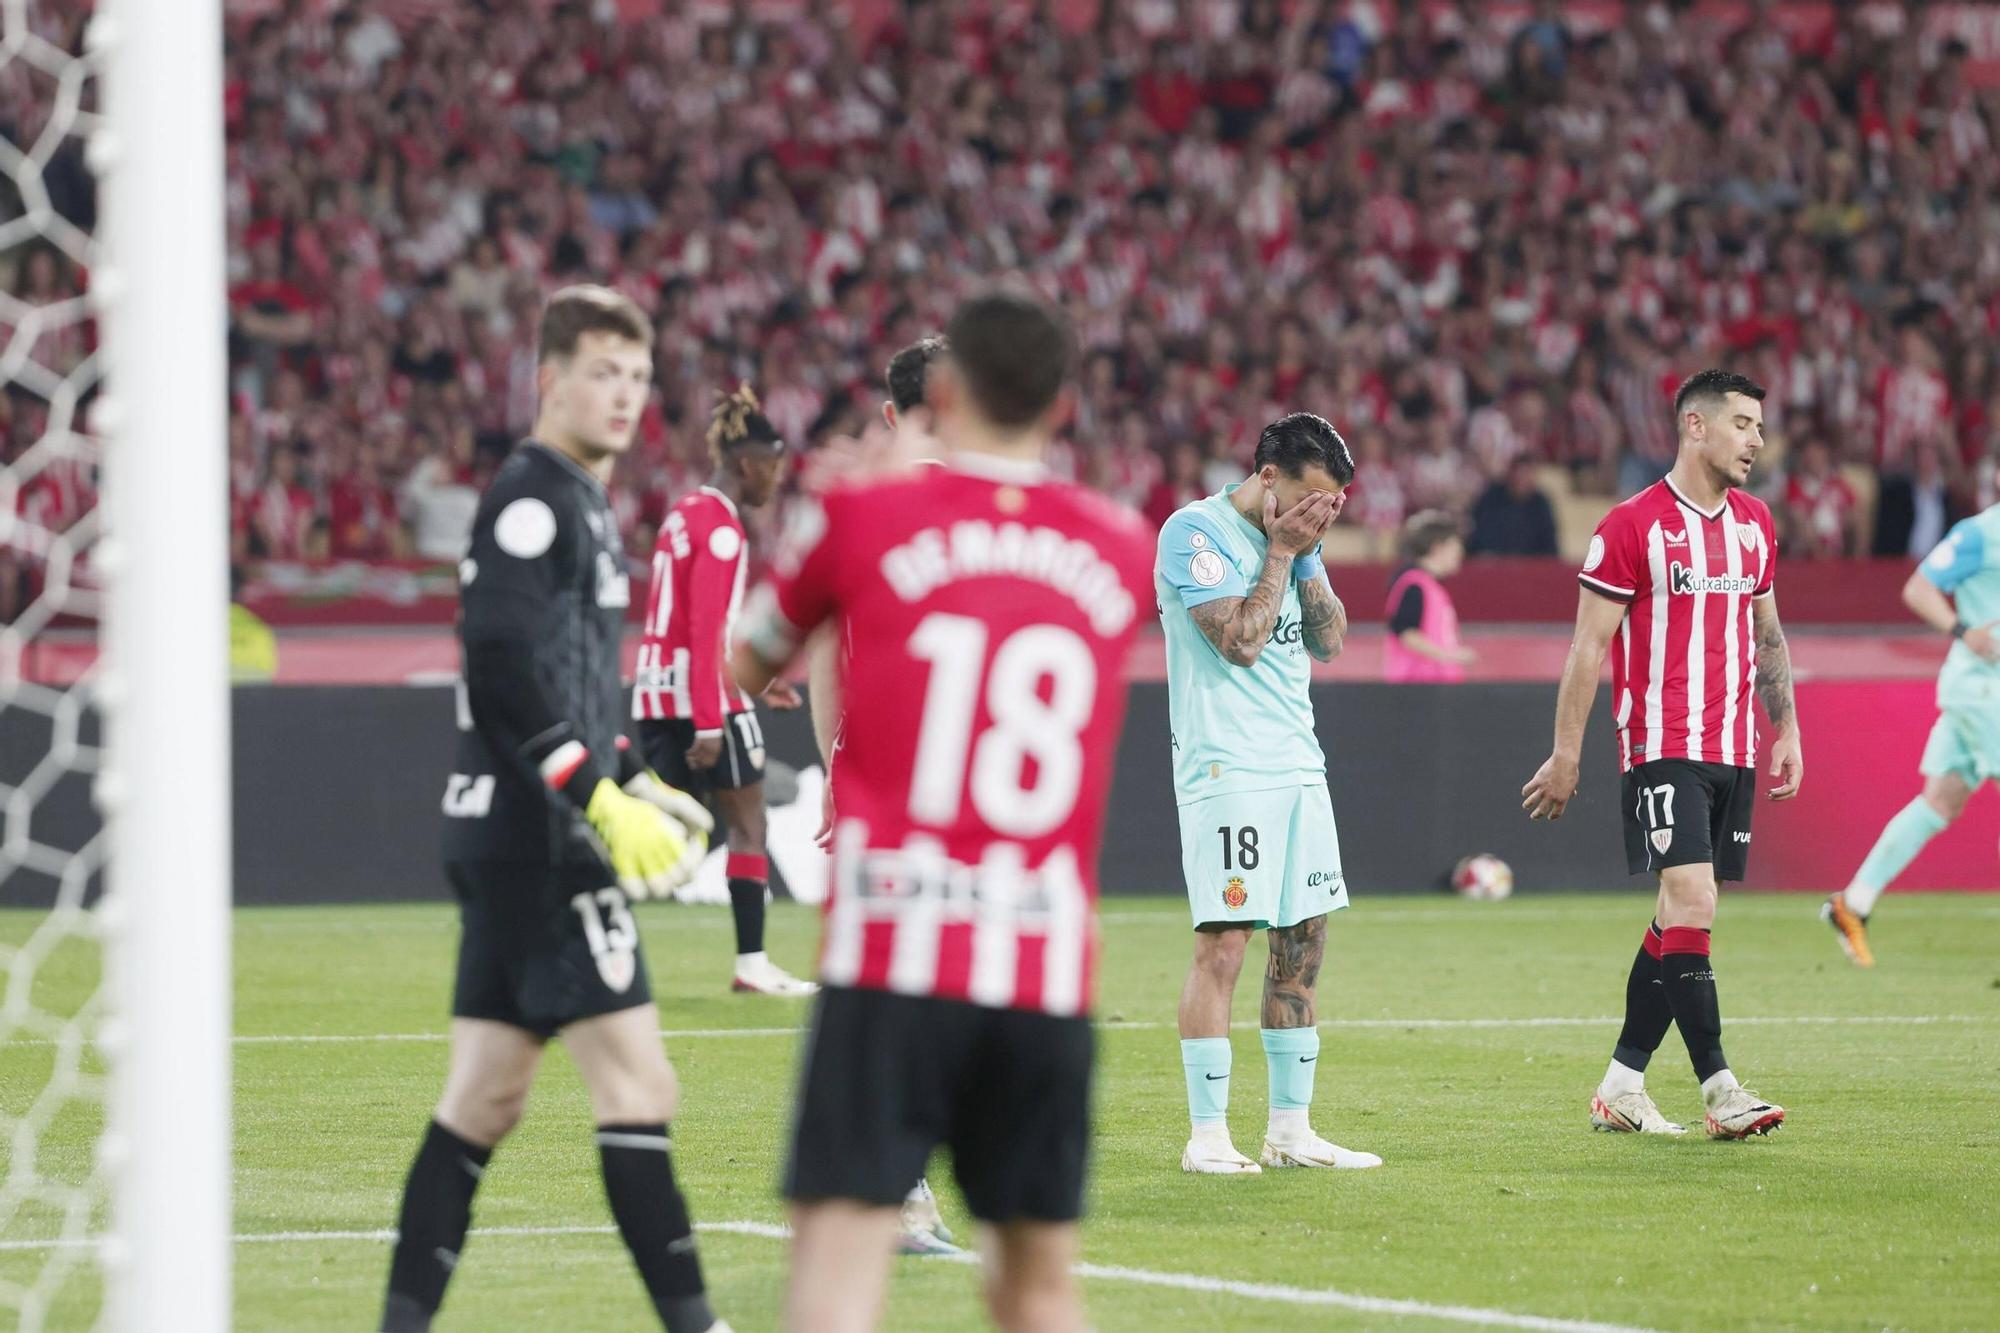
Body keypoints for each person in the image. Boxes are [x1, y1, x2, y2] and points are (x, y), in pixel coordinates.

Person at [732, 291, 1154, 1332]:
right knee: (1039, 1290)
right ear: (1060, 406)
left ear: (945, 391)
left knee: (835, 1274)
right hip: (1042, 964)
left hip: (894, 949)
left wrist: (829, 513)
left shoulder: (862, 517)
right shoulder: (1117, 543)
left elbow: (744, 661)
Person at [379, 286, 725, 1333]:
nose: (621, 395)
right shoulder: (533, 496)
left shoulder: (572, 496)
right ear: (549, 381)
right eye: (599, 374)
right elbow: (496, 667)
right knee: (639, 1083)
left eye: (635, 376)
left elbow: (561, 681)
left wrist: (629, 771)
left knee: (482, 1099)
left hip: (506, 836)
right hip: (542, 842)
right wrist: (592, 797)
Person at [1522, 368, 1802, 1141]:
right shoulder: (1632, 524)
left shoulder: (1755, 524)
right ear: (1694, 426)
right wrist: (1567, 752)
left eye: (1759, 427)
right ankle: (1721, 1088)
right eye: (1742, 424)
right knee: (1696, 902)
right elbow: (1588, 648)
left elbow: (1767, 634)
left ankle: (1620, 1084)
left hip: (1733, 746)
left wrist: (1789, 729)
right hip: (1660, 743)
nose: (1756, 440)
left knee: (1676, 913)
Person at [1156, 412, 1383, 1175]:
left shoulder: (1299, 541)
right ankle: (1207, 1135)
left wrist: (1305, 551)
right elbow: (1244, 641)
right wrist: (1283, 550)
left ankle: (1290, 1130)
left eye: (1332, 507)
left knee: (1302, 948)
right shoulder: (1194, 532)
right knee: (1223, 944)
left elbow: (1331, 640)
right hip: (1227, 769)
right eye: (1307, 500)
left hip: (1298, 765)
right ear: (1266, 479)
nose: (1317, 515)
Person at [801, 332, 962, 1256]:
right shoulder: (1015, 508)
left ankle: (887, 1188)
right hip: (974, 791)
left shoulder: (862, 507)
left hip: (884, 774)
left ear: (894, 415)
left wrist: (832, 760)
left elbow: (817, 643)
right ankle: (898, 1190)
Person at [632, 384, 817, 998]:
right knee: (747, 827)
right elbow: (705, 631)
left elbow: (686, 623)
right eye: (773, 467)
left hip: (656, 696)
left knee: (646, 832)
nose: (775, 481)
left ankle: (572, 947)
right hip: (705, 704)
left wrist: (759, 682)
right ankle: (753, 964)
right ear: (748, 462)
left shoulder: (683, 513)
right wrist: (713, 721)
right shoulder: (721, 529)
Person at [1824, 501, 2000, 966]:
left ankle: (1852, 904)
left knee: (1941, 801)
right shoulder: (1980, 534)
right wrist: (1962, 630)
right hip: (1984, 688)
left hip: (1977, 692)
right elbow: (1919, 587)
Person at [1384, 510, 1477, 683]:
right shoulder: (1414, 585)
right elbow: (1406, 632)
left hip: (1433, 683)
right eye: (1455, 546)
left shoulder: (1429, 586)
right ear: (1437, 547)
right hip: (1418, 684)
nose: (1460, 553)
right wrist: (1449, 656)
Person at [1467, 453, 1560, 555]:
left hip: (1531, 566)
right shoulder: (1491, 498)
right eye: (1520, 474)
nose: (1522, 480)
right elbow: (1479, 535)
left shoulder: (1541, 504)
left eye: (1527, 475)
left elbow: (1549, 545)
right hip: (1494, 563)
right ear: (1510, 474)